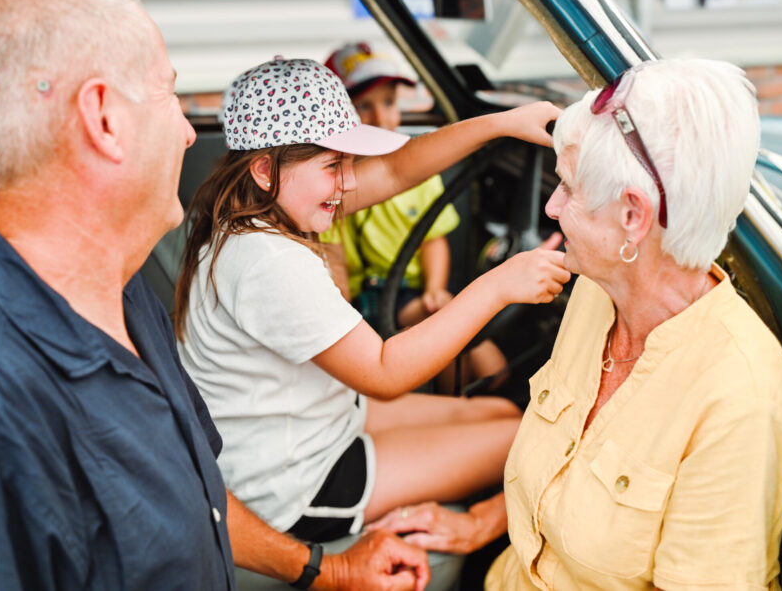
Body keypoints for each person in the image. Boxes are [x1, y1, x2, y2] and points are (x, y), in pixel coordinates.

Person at [0, 0, 431, 591]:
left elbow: (199, 497)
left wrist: (326, 570)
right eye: (168, 94)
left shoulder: (122, 298)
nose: (187, 131)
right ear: (103, 118)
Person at [368, 58, 782, 590]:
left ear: (633, 216)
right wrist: (476, 524)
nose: (551, 207)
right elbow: (563, 474)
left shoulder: (740, 402)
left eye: (569, 189)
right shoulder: (598, 293)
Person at [173, 56, 568, 547]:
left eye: (349, 162)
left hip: (311, 425)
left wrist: (501, 124)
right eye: (334, 165)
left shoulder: (247, 210)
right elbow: (384, 373)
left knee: (507, 415)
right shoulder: (266, 260)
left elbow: (401, 168)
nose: (351, 182)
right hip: (290, 485)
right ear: (264, 169)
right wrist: (499, 285)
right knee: (528, 440)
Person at [320, 43, 506, 389]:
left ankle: (469, 398)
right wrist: (343, 314)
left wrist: (435, 290)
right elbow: (334, 259)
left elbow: (433, 240)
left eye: (389, 102)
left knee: (479, 350)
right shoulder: (333, 179)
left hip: (413, 291)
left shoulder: (417, 171)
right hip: (366, 296)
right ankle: (450, 407)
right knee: (444, 326)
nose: (380, 118)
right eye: (364, 106)